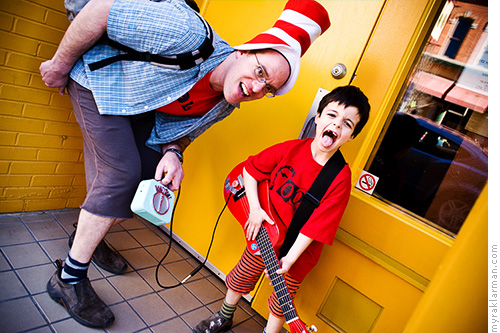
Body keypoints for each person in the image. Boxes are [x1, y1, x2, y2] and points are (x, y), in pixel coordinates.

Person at [40, 0, 331, 329]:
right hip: (100, 80)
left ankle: (87, 236)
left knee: (146, 174)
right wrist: (58, 66)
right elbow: (99, 11)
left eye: (268, 89)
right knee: (120, 174)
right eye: (260, 72)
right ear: (245, 51)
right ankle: (68, 277)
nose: (255, 88)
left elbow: (182, 133)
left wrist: (173, 153)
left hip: (137, 105)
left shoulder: (226, 103)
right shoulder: (189, 33)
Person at [193, 85, 371, 333]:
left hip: (299, 249)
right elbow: (250, 170)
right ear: (318, 118)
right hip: (267, 232)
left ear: (351, 136)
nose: (337, 125)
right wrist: (255, 210)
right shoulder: (291, 149)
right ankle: (224, 315)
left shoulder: (340, 178)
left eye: (348, 124)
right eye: (332, 115)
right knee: (242, 275)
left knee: (282, 301)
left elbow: (316, 228)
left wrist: (290, 258)